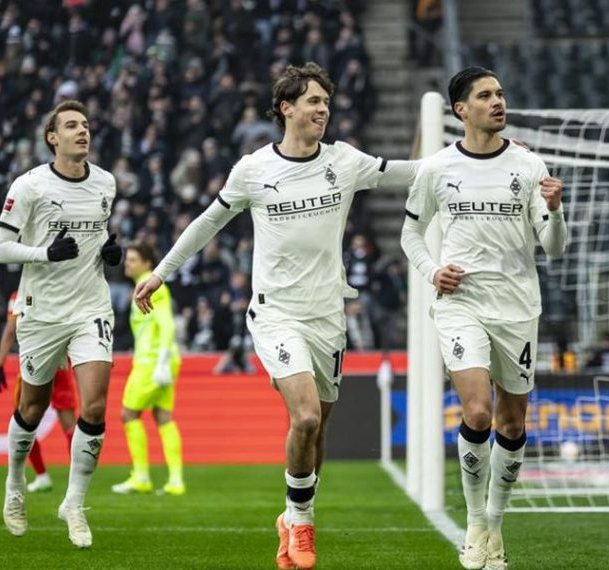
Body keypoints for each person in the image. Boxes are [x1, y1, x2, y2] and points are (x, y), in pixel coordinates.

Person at [133, 62, 416, 570]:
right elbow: (206, 223)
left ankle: (292, 515)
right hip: (276, 314)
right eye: (313, 102)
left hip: (328, 315)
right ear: (286, 108)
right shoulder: (254, 169)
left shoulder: (345, 161)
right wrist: (161, 272)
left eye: (326, 103)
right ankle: (302, 521)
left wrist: (475, 156)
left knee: (317, 428)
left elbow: (408, 172)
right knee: (304, 415)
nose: (323, 110)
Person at [400, 66, 568, 570]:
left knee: (511, 422)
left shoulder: (529, 165)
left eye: (500, 93)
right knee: (477, 413)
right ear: (461, 110)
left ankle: (494, 524)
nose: (498, 102)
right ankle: (475, 525)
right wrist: (433, 271)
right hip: (462, 304)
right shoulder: (436, 169)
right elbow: (411, 235)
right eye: (485, 95)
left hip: (517, 308)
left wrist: (556, 210)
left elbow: (554, 248)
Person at [0, 99, 121, 549]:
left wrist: (109, 252)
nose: (82, 131)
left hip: (91, 307)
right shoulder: (29, 186)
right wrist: (44, 253)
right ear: (53, 138)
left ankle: (75, 503)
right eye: (71, 126)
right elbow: (1, 249)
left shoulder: (105, 182)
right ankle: (14, 484)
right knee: (32, 407)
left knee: (94, 406)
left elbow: (99, 234)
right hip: (42, 311)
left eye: (85, 125)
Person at [112, 244, 185, 496]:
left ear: (147, 263)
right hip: (162, 358)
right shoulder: (146, 286)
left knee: (128, 414)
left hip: (152, 360)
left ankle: (141, 476)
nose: (127, 263)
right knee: (163, 416)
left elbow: (167, 324)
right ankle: (175, 481)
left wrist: (162, 360)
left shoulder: (153, 287)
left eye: (133, 259)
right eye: (127, 259)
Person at [0, 290, 79, 493]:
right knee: (69, 425)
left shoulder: (19, 295)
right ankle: (77, 479)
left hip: (34, 363)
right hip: (59, 361)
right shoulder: (57, 292)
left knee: (23, 420)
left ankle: (42, 476)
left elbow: (10, 330)